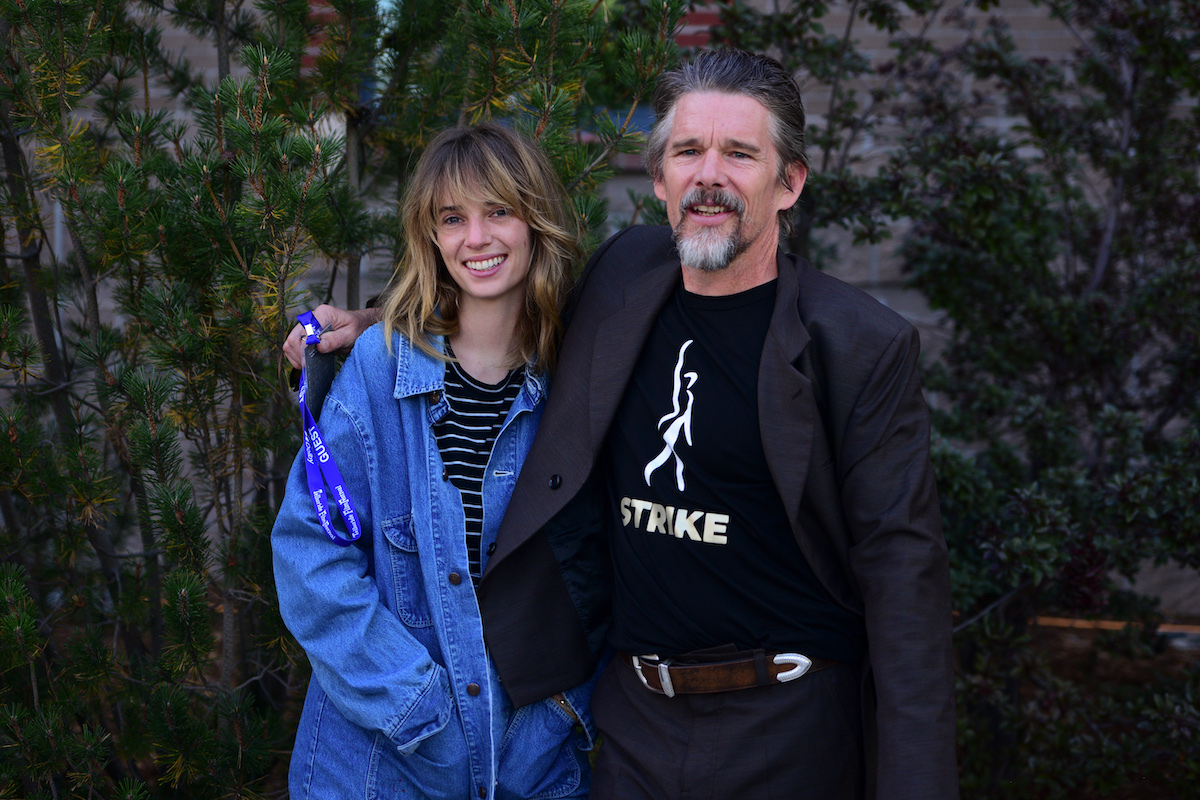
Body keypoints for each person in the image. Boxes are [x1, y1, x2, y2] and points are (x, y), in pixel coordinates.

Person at [287, 49, 959, 800]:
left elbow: (907, 595)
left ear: (789, 181)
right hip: (634, 730)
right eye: (687, 152)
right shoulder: (622, 281)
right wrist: (376, 322)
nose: (710, 175)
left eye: (740, 153)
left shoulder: (857, 346)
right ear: (659, 179)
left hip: (787, 728)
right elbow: (497, 299)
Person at [272, 123, 597, 800]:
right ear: (432, 238)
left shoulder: (580, 380)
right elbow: (312, 558)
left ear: (535, 221)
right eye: (453, 219)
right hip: (377, 764)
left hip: (531, 763)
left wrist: (566, 713)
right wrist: (418, 713)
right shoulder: (378, 370)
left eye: (499, 211)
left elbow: (607, 570)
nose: (476, 239)